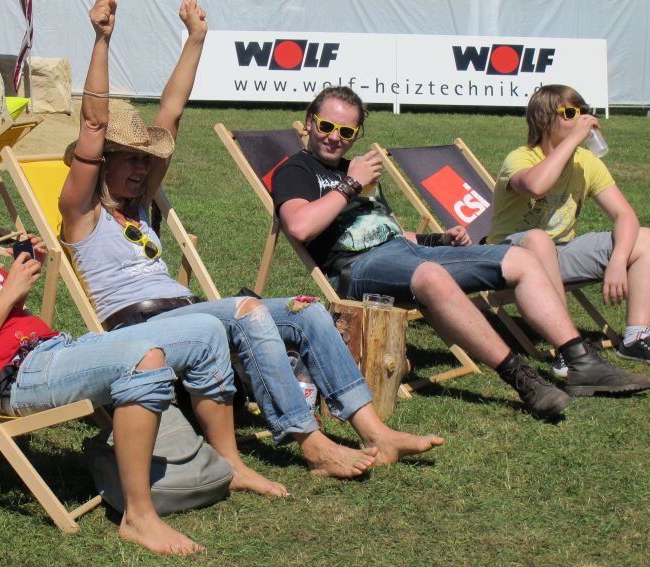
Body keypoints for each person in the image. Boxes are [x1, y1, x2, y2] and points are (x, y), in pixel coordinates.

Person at [59, 0, 444, 478]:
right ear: (103, 163)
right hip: (137, 328)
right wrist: (102, 40)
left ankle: (376, 433)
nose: (142, 168)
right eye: (129, 159)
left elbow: (171, 115)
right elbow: (93, 125)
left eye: (145, 159)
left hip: (186, 314)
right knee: (248, 310)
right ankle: (311, 444)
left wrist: (196, 39)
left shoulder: (139, 202)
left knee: (308, 312)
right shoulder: (82, 213)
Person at [0, 139, 288, 556]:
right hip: (15, 376)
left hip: (48, 349)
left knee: (205, 332)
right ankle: (139, 517)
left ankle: (231, 464)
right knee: (143, 358)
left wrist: (20, 276)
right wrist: (9, 293)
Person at [271, 86, 650, 417]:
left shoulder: (356, 170)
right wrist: (351, 183)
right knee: (431, 276)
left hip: (403, 254)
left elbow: (388, 230)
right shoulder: (297, 170)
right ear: (310, 123)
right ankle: (521, 377)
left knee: (522, 258)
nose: (334, 137)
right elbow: (300, 226)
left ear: (356, 134)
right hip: (355, 269)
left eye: (346, 131)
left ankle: (580, 361)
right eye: (326, 126)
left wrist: (437, 241)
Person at [487, 83, 650, 372]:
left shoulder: (585, 162)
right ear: (544, 121)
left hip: (560, 253)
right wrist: (573, 140)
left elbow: (625, 214)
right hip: (507, 257)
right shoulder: (521, 158)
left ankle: (636, 338)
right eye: (571, 113)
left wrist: (618, 260)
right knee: (539, 239)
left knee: (644, 239)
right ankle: (569, 348)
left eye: (584, 111)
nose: (582, 119)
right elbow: (536, 186)